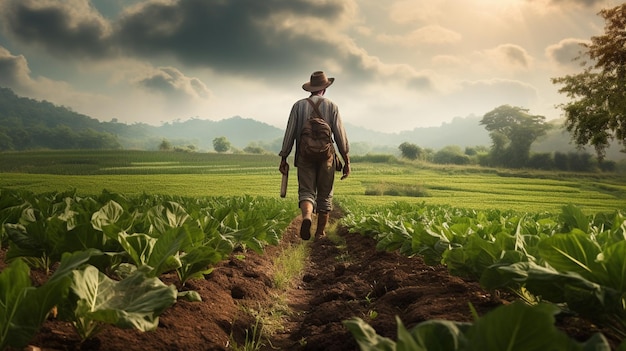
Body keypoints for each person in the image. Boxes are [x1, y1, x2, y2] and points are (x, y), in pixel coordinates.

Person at [279, 71, 350, 240]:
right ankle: (320, 233)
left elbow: (290, 133)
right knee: (325, 194)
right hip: (327, 157)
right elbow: (340, 136)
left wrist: (284, 157)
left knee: (306, 191)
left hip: (304, 156)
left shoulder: (298, 106)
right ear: (324, 89)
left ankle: (306, 217)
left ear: (310, 89)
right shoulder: (332, 106)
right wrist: (346, 160)